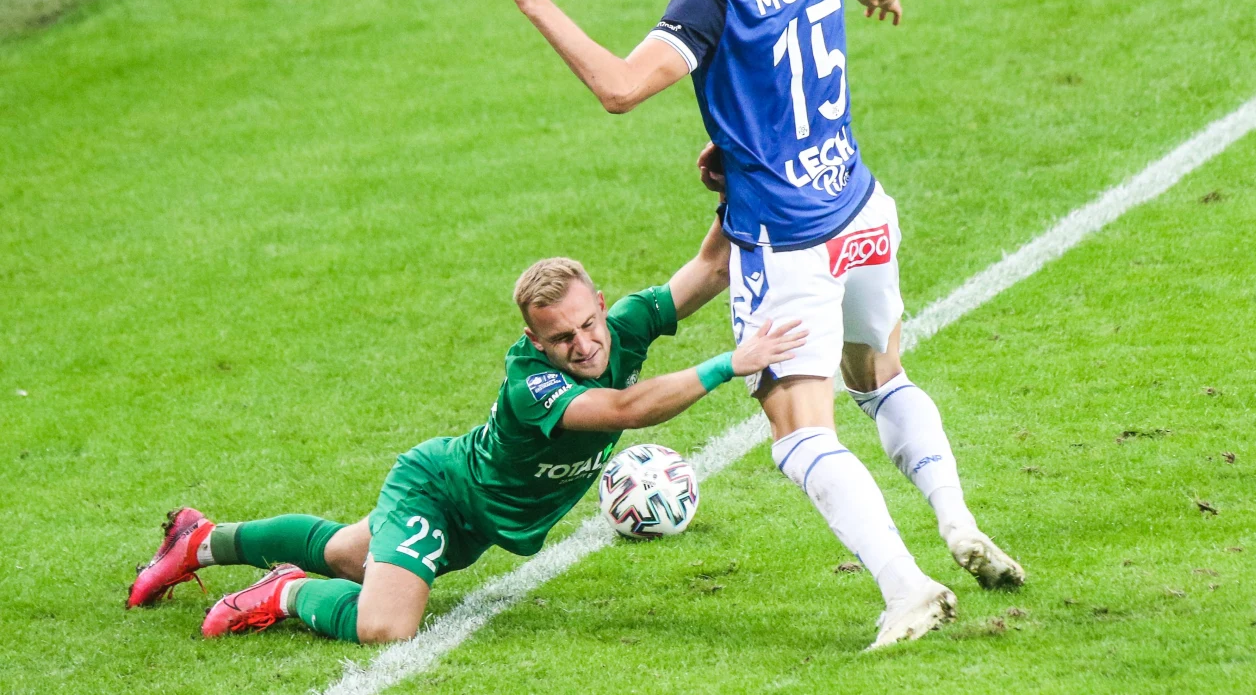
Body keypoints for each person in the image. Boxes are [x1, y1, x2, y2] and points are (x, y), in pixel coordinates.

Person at [490, 0, 1024, 648]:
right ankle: (956, 518)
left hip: (790, 245)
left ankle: (907, 586)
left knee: (802, 432)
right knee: (881, 377)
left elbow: (621, 88)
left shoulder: (710, 0)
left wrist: (539, 4)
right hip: (862, 211)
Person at [125, 219, 805, 642]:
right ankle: (284, 590)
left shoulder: (623, 326)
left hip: (479, 520)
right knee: (386, 624)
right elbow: (625, 410)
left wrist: (734, 182)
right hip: (440, 492)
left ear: (601, 305)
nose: (583, 345)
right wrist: (729, 363)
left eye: (588, 324)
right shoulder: (532, 383)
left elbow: (712, 266)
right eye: (561, 338)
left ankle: (201, 539)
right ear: (535, 341)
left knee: (342, 553)